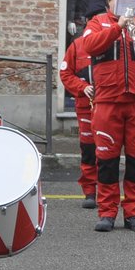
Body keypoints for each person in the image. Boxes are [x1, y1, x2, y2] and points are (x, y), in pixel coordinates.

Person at [80, 0, 135, 231]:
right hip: (108, 102)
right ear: (110, 1)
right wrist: (117, 27)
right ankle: (107, 212)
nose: (127, 5)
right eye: (122, 0)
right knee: (107, 161)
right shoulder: (96, 23)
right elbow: (89, 46)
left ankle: (133, 213)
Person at [58, 33, 99, 207]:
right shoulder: (77, 45)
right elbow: (65, 73)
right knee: (89, 149)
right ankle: (90, 192)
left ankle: (107, 196)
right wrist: (83, 87)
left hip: (112, 106)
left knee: (108, 154)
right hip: (86, 107)